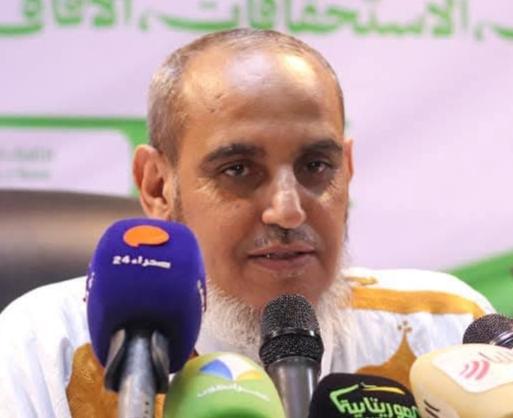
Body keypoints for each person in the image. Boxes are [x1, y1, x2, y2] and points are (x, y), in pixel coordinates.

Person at [0, 29, 494, 418]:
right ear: (157, 186)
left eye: (316, 166)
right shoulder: (48, 348)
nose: (288, 210)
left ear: (347, 169)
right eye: (238, 170)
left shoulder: (446, 333)